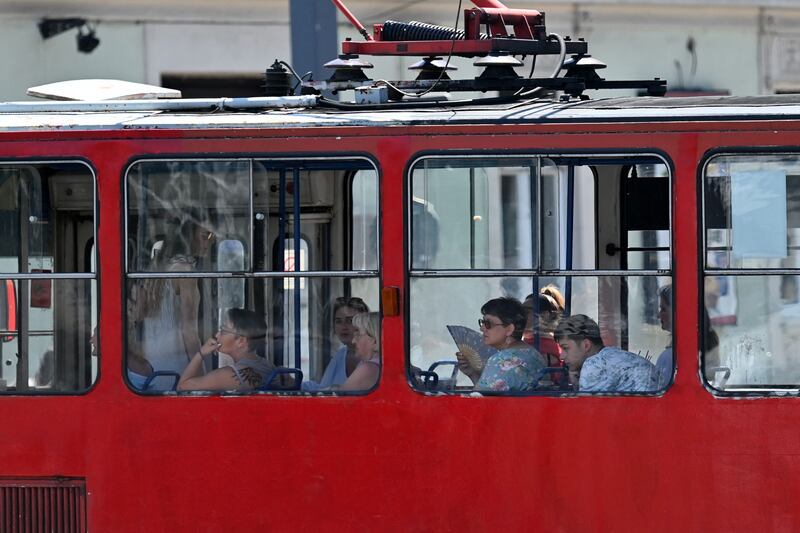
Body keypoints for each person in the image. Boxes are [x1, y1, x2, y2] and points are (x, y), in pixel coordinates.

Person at [138, 214, 213, 389]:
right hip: (177, 360)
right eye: (205, 235)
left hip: (152, 359)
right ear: (189, 235)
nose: (209, 242)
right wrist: (201, 371)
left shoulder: (158, 267)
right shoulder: (186, 270)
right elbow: (189, 328)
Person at [177, 308, 283, 392]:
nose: (217, 335)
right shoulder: (267, 365)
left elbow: (182, 387)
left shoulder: (228, 375)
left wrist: (201, 353)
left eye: (223, 331)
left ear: (241, 341)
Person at [457, 297, 544, 392]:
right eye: (482, 322)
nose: (482, 328)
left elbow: (479, 401)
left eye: (488, 323)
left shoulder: (501, 360)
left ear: (509, 329)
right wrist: (473, 374)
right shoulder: (534, 354)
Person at [555, 314, 658, 392]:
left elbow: (587, 412)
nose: (561, 356)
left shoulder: (594, 365)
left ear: (586, 345)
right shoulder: (613, 356)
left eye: (565, 348)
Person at [302, 296, 369, 391]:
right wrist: (295, 384)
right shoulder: (340, 354)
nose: (343, 326)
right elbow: (323, 389)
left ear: (364, 323)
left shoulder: (373, 357)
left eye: (350, 321)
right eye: (338, 321)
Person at [335, 311, 380, 391]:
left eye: (358, 335)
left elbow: (337, 400)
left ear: (375, 341)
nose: (353, 341)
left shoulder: (369, 369)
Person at [523, 284, 565, 367]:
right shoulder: (558, 345)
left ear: (545, 315)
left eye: (526, 312)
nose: (520, 316)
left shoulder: (543, 350)